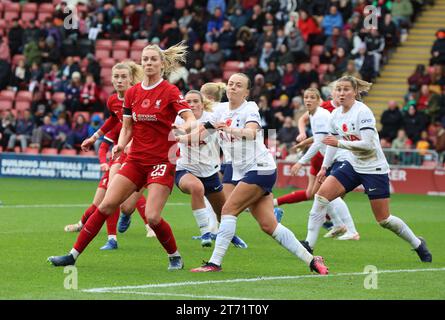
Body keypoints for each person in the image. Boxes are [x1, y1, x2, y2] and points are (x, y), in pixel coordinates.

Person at [48, 42, 196, 269]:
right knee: (106, 206)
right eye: (145, 59)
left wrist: (187, 127)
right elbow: (126, 127)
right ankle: (72, 256)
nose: (148, 63)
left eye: (153, 59)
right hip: (135, 159)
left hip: (162, 161)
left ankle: (174, 255)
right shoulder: (132, 93)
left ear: (162, 63)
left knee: (153, 217)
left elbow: (189, 118)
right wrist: (120, 145)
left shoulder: (170, 91)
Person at [178, 73, 329, 274]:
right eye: (230, 84)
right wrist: (180, 137)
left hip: (261, 168)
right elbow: (202, 133)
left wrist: (230, 130)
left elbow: (251, 133)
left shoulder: (250, 108)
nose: (233, 87)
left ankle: (214, 263)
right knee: (269, 226)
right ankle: (311, 260)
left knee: (228, 210)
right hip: (246, 171)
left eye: (238, 85)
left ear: (246, 92)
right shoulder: (220, 110)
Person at [307, 76, 432, 262]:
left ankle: (417, 244)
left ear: (355, 91)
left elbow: (368, 145)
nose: (342, 93)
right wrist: (324, 167)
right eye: (339, 89)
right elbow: (331, 144)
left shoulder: (363, 112)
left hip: (374, 167)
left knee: (384, 220)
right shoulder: (335, 115)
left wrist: (340, 143)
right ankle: (308, 245)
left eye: (346, 89)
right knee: (321, 196)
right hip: (352, 165)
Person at [274, 89, 359, 240]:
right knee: (323, 194)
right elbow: (320, 140)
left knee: (328, 194)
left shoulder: (320, 115)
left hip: (341, 157)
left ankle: (351, 231)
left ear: (319, 100)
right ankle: (339, 224)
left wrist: (301, 161)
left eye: (312, 97)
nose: (308, 100)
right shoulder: (315, 115)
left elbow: (319, 142)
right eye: (306, 97)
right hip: (333, 158)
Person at [174, 89, 247, 248]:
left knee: (225, 212)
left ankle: (231, 236)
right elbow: (182, 134)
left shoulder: (211, 117)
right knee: (196, 188)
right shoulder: (180, 120)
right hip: (185, 169)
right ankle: (205, 233)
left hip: (210, 172)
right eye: (188, 102)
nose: (192, 105)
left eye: (195, 101)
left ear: (202, 103)